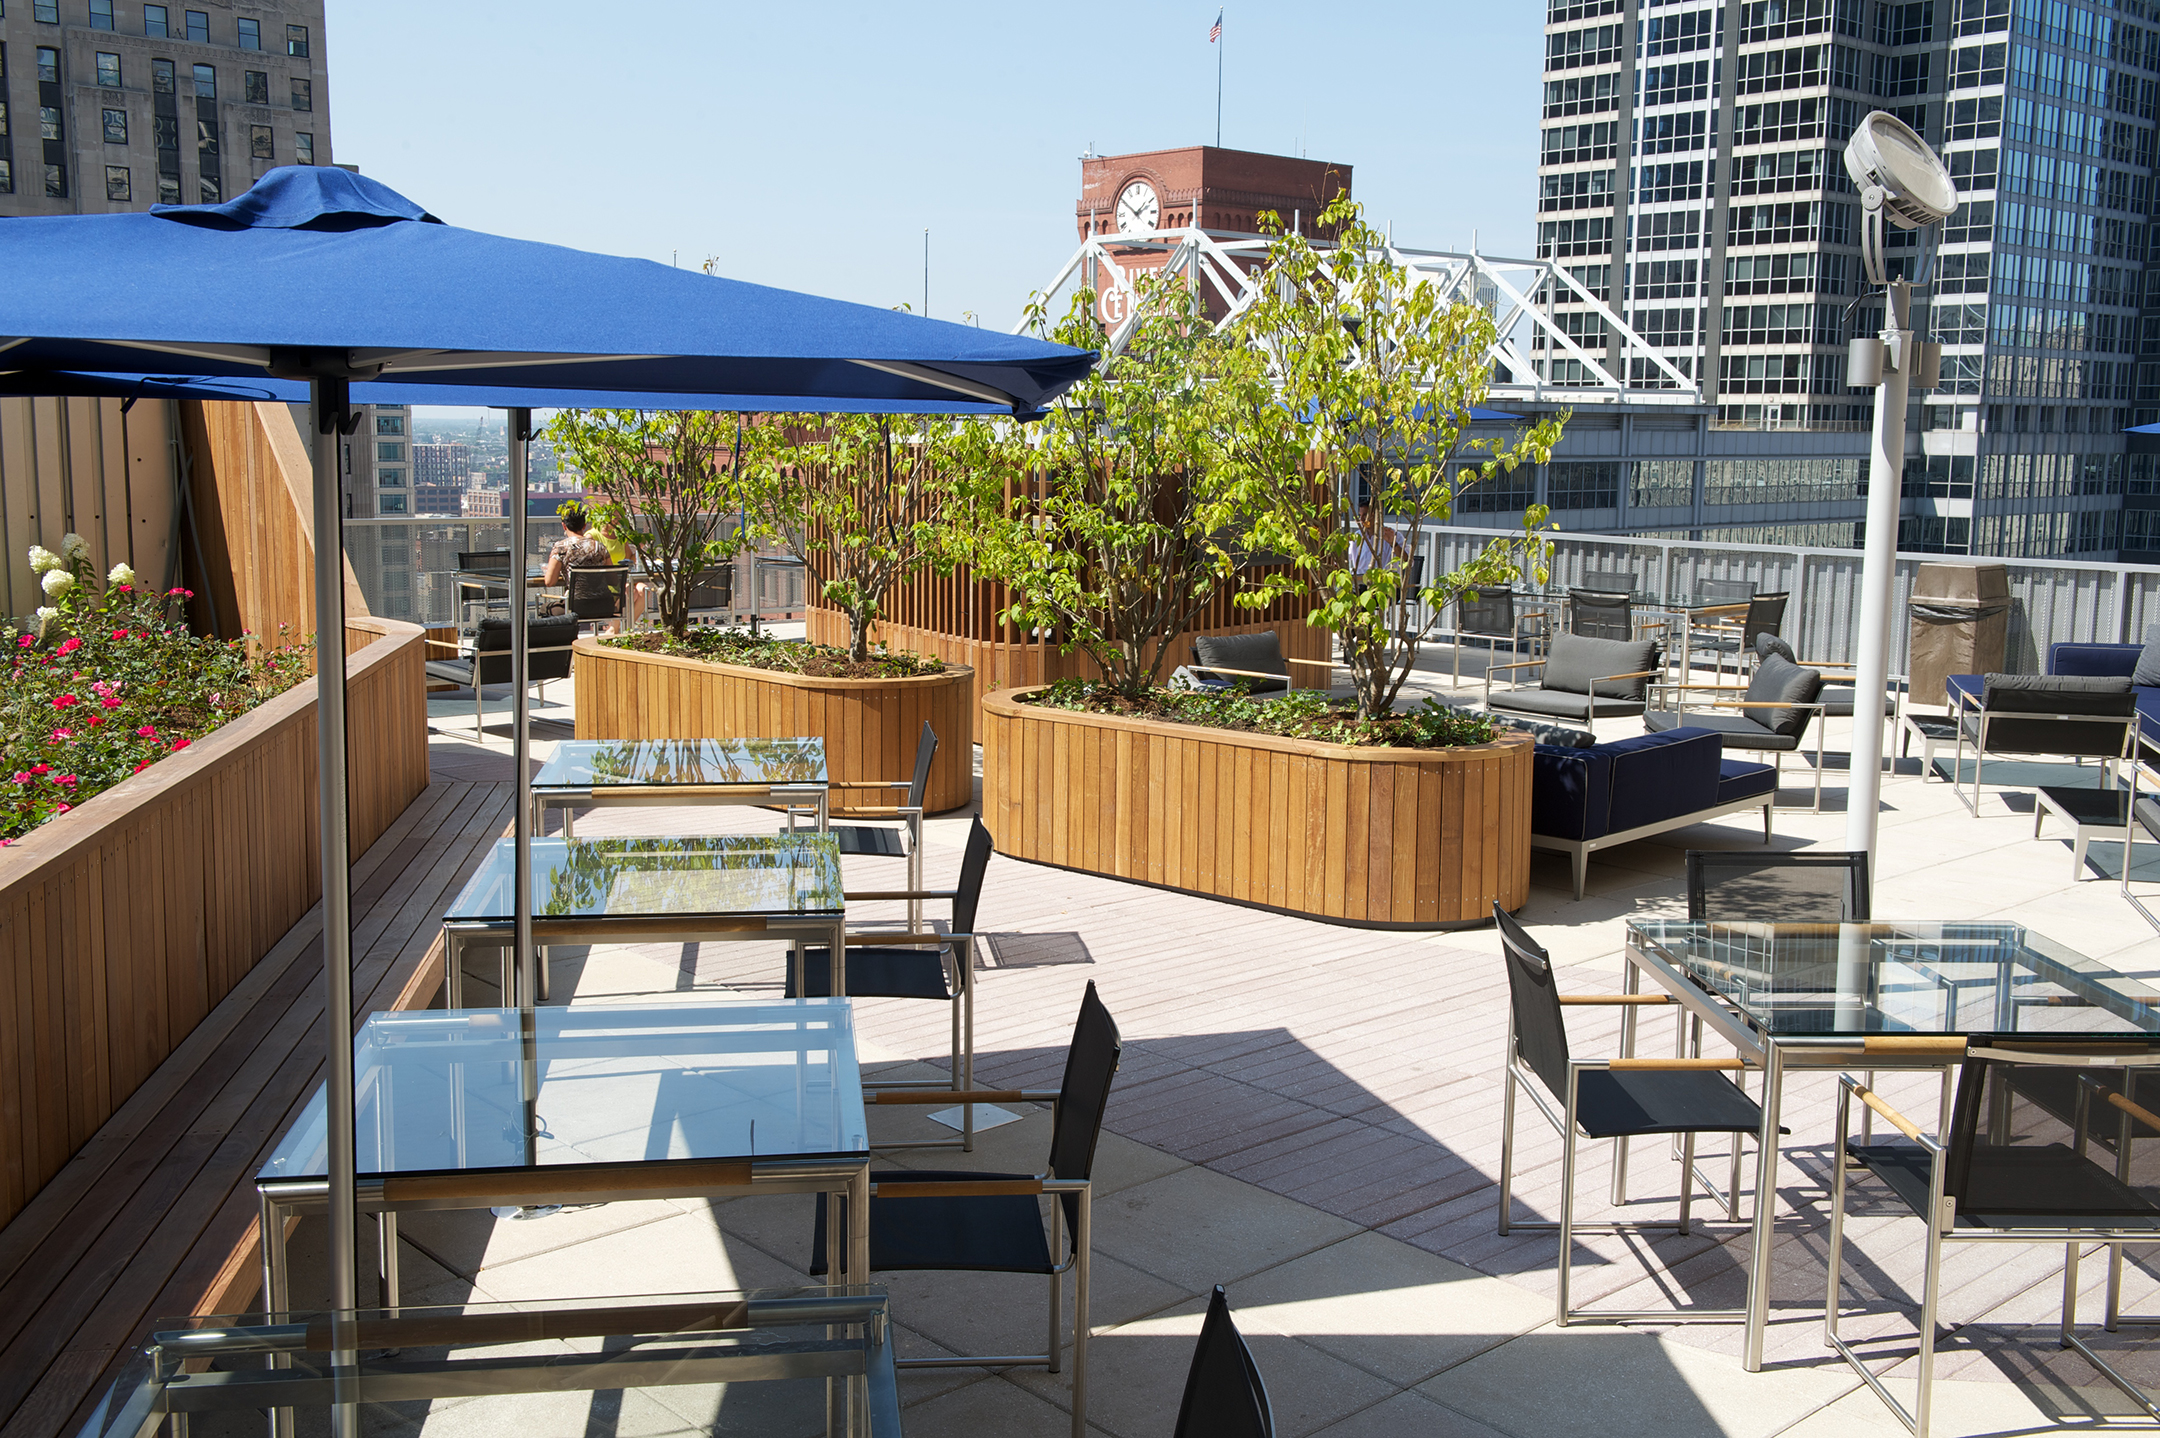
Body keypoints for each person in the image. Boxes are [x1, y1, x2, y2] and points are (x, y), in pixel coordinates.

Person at [543, 502, 633, 631]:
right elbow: (613, 580)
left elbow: (549, 582)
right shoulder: (599, 546)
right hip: (605, 606)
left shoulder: (560, 548)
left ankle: (564, 644)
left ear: (564, 526)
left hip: (576, 607)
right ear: (585, 525)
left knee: (544, 607)